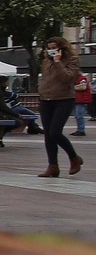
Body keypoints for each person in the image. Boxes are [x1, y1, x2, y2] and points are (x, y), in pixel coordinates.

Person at [36, 36, 83, 178]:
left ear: (62, 48)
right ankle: (52, 166)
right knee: (48, 135)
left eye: (54, 48)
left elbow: (68, 78)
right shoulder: (46, 62)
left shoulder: (72, 59)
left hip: (64, 99)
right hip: (46, 99)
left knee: (55, 132)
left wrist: (57, 62)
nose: (51, 51)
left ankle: (74, 158)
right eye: (49, 49)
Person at [74, 71, 90, 136]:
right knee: (77, 115)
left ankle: (81, 130)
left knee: (79, 115)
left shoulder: (82, 78)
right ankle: (79, 129)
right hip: (76, 99)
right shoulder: (75, 79)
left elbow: (83, 87)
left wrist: (72, 88)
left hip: (80, 100)